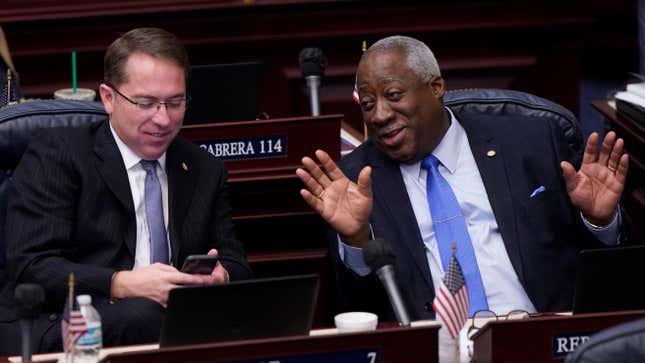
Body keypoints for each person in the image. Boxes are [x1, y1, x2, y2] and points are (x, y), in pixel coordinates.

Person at [296, 35, 629, 322]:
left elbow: (603, 274)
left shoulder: (530, 140)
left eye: (394, 95)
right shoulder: (357, 180)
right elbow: (357, 312)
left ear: (436, 87)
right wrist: (356, 241)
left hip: (540, 335)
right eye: (368, 104)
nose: (380, 115)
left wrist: (598, 220)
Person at [0, 27, 251, 354]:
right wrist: (121, 283)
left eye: (175, 103)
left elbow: (237, 262)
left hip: (174, 323)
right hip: (65, 322)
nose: (163, 119)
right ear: (108, 98)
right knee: (146, 315)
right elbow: (31, 266)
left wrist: (222, 277)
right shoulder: (59, 154)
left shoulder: (202, 167)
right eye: (146, 103)